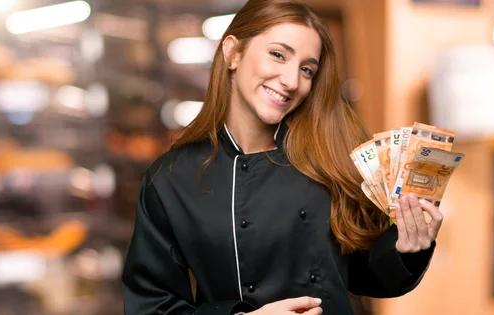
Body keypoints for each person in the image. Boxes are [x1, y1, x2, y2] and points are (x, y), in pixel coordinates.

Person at [121, 0, 443, 314]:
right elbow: (152, 305)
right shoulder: (171, 180)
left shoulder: (330, 157)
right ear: (233, 52)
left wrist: (406, 248)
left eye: (306, 69)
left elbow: (363, 275)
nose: (291, 82)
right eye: (278, 55)